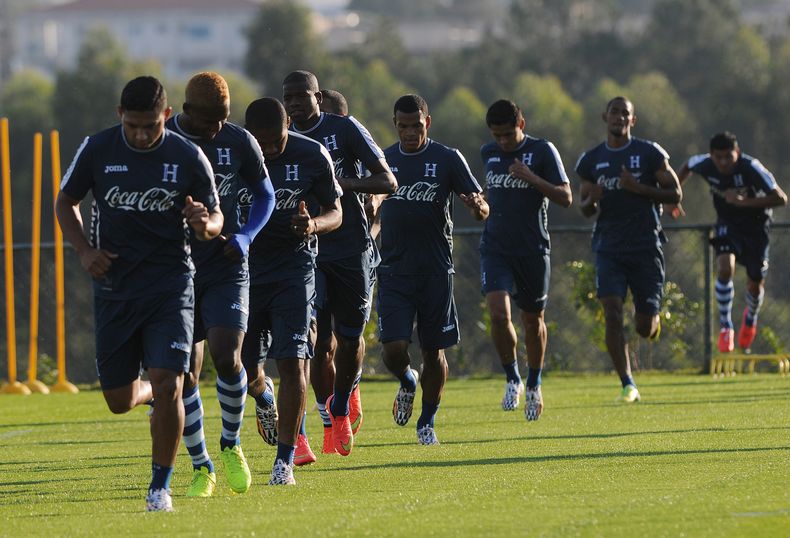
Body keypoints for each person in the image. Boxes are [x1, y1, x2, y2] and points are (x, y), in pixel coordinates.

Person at [55, 76, 223, 511]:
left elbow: (215, 218)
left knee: (171, 384)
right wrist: (84, 250)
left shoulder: (187, 156)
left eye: (151, 126)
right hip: (115, 290)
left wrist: (204, 225)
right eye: (132, 126)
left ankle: (159, 488)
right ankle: (148, 392)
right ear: (120, 116)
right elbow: (65, 202)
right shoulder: (98, 148)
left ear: (166, 115)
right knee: (119, 400)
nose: (142, 135)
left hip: (171, 287)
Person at [165, 71, 275, 497]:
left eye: (224, 117)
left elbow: (265, 195)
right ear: (187, 111)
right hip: (176, 271)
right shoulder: (165, 142)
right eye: (211, 119)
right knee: (184, 373)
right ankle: (202, 465)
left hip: (226, 265)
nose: (218, 127)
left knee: (228, 356)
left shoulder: (239, 141)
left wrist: (246, 236)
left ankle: (231, 445)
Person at [283, 70, 397, 457]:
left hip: (350, 249)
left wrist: (343, 184)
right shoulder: (283, 138)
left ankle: (342, 404)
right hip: (306, 251)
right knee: (312, 342)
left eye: (301, 96)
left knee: (350, 339)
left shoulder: (344, 129)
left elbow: (388, 181)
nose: (294, 104)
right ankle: (311, 428)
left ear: (317, 98)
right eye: (288, 97)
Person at [242, 97, 342, 484]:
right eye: (261, 141)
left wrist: (313, 225)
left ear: (288, 127)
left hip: (294, 270)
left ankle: (284, 461)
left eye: (277, 140)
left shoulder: (312, 154)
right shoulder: (234, 153)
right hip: (244, 272)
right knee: (242, 369)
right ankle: (263, 394)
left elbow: (336, 212)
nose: (269, 149)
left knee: (293, 361)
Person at [380, 94, 488, 445]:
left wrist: (477, 206)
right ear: (395, 125)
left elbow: (481, 208)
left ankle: (426, 422)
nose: (410, 132)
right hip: (394, 270)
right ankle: (407, 380)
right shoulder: (384, 160)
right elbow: (375, 208)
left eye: (416, 125)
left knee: (433, 351)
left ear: (427, 122)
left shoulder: (447, 158)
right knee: (393, 349)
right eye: (403, 126)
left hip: (435, 271)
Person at [576, 96, 681, 403]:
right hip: (608, 246)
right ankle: (627, 383)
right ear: (605, 116)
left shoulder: (649, 153)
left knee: (644, 328)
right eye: (615, 112)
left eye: (625, 113)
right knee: (611, 311)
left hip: (645, 246)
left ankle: (651, 319)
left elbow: (675, 193)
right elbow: (584, 208)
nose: (619, 117)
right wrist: (591, 200)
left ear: (632, 120)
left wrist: (639, 189)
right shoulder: (591, 160)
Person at [480, 99, 572, 420]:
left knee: (532, 321)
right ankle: (512, 378)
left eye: (508, 134)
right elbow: (493, 193)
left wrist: (532, 178)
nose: (503, 141)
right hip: (496, 248)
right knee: (498, 314)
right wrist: (479, 201)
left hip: (532, 249)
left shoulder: (542, 151)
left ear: (521, 124)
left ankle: (534, 383)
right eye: (497, 136)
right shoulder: (488, 153)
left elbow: (566, 197)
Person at [674, 132, 786, 352]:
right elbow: (687, 166)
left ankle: (750, 318)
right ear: (711, 155)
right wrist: (673, 196)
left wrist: (743, 202)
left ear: (738, 153)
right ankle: (726, 327)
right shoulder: (704, 164)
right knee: (725, 268)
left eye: (729, 157)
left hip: (756, 227)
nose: (724, 162)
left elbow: (780, 198)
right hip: (728, 224)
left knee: (755, 284)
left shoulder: (751, 167)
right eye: (719, 157)